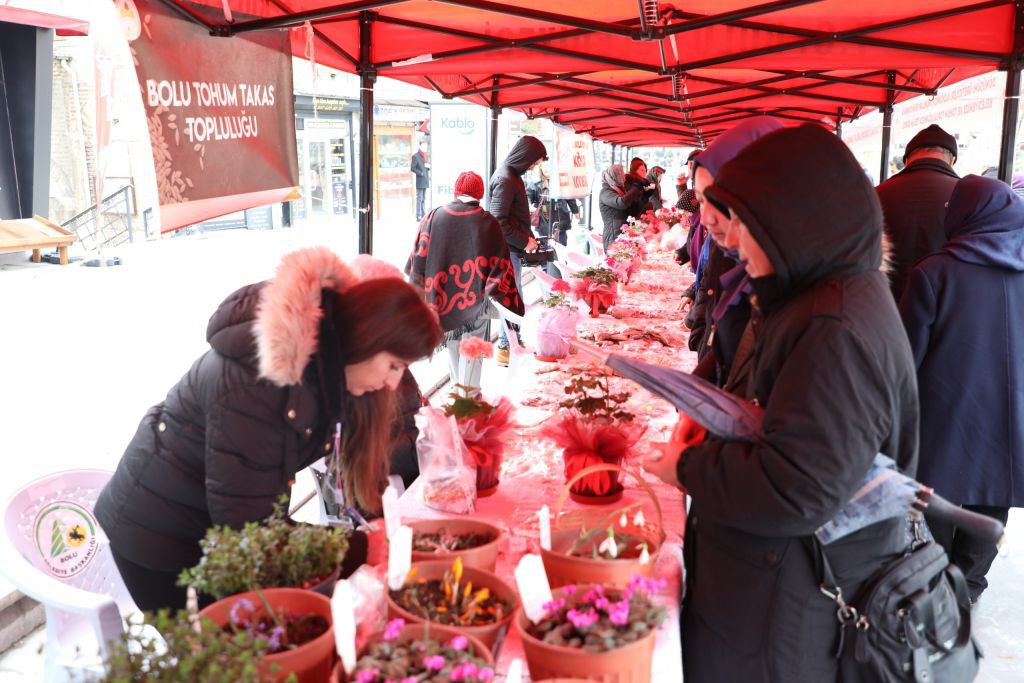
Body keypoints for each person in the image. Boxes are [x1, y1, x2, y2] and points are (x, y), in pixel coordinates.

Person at [645, 124, 918, 681]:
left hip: (790, 609)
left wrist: (687, 467)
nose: (736, 243)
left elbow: (798, 487)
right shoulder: (814, 296)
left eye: (749, 225)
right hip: (769, 587)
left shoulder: (835, 326)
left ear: (795, 222)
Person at [94, 247, 442, 612]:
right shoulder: (260, 384)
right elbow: (249, 531)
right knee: (225, 657)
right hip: (160, 536)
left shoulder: (322, 370)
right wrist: (355, 548)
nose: (393, 383)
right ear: (368, 337)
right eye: (394, 365)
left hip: (217, 530)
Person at [899, 174, 1024, 604]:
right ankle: (966, 597)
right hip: (1009, 421)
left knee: (933, 519)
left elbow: (905, 360)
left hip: (943, 421)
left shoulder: (934, 273)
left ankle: (932, 602)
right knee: (989, 510)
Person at [687, 117, 784, 387]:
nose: (706, 217)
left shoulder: (806, 288)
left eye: (718, 201)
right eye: (701, 199)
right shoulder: (729, 252)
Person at [406, 170, 524, 387]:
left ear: (456, 192)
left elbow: (417, 260)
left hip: (441, 302)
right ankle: (469, 403)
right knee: (472, 360)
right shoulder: (488, 222)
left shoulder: (433, 217)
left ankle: (458, 399)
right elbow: (502, 266)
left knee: (452, 348)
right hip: (476, 304)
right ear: (479, 194)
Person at [875, 123, 959, 300]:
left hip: (885, 304)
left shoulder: (876, 193)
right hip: (943, 304)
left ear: (907, 160)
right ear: (951, 160)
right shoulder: (969, 196)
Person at [489, 135, 547, 365]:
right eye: (534, 162)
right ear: (525, 157)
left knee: (513, 296)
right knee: (512, 297)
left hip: (511, 248)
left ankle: (509, 344)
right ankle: (506, 346)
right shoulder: (505, 178)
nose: (533, 167)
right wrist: (524, 241)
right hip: (506, 249)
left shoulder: (512, 176)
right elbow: (497, 220)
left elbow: (509, 216)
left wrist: (527, 231)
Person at [598, 164, 643, 250]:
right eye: (621, 174)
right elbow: (621, 203)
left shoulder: (619, 191)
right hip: (613, 237)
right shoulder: (605, 192)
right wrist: (636, 188)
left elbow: (632, 212)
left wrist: (644, 199)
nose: (624, 177)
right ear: (614, 175)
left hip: (623, 234)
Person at [411, 139, 430, 220]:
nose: (425, 147)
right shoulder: (415, 156)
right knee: (419, 198)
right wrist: (420, 173)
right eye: (423, 146)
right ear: (420, 146)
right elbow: (412, 168)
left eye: (426, 146)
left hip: (425, 180)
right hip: (420, 180)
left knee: (424, 199)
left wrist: (428, 168)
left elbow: (425, 167)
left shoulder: (425, 156)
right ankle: (418, 215)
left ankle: (423, 214)